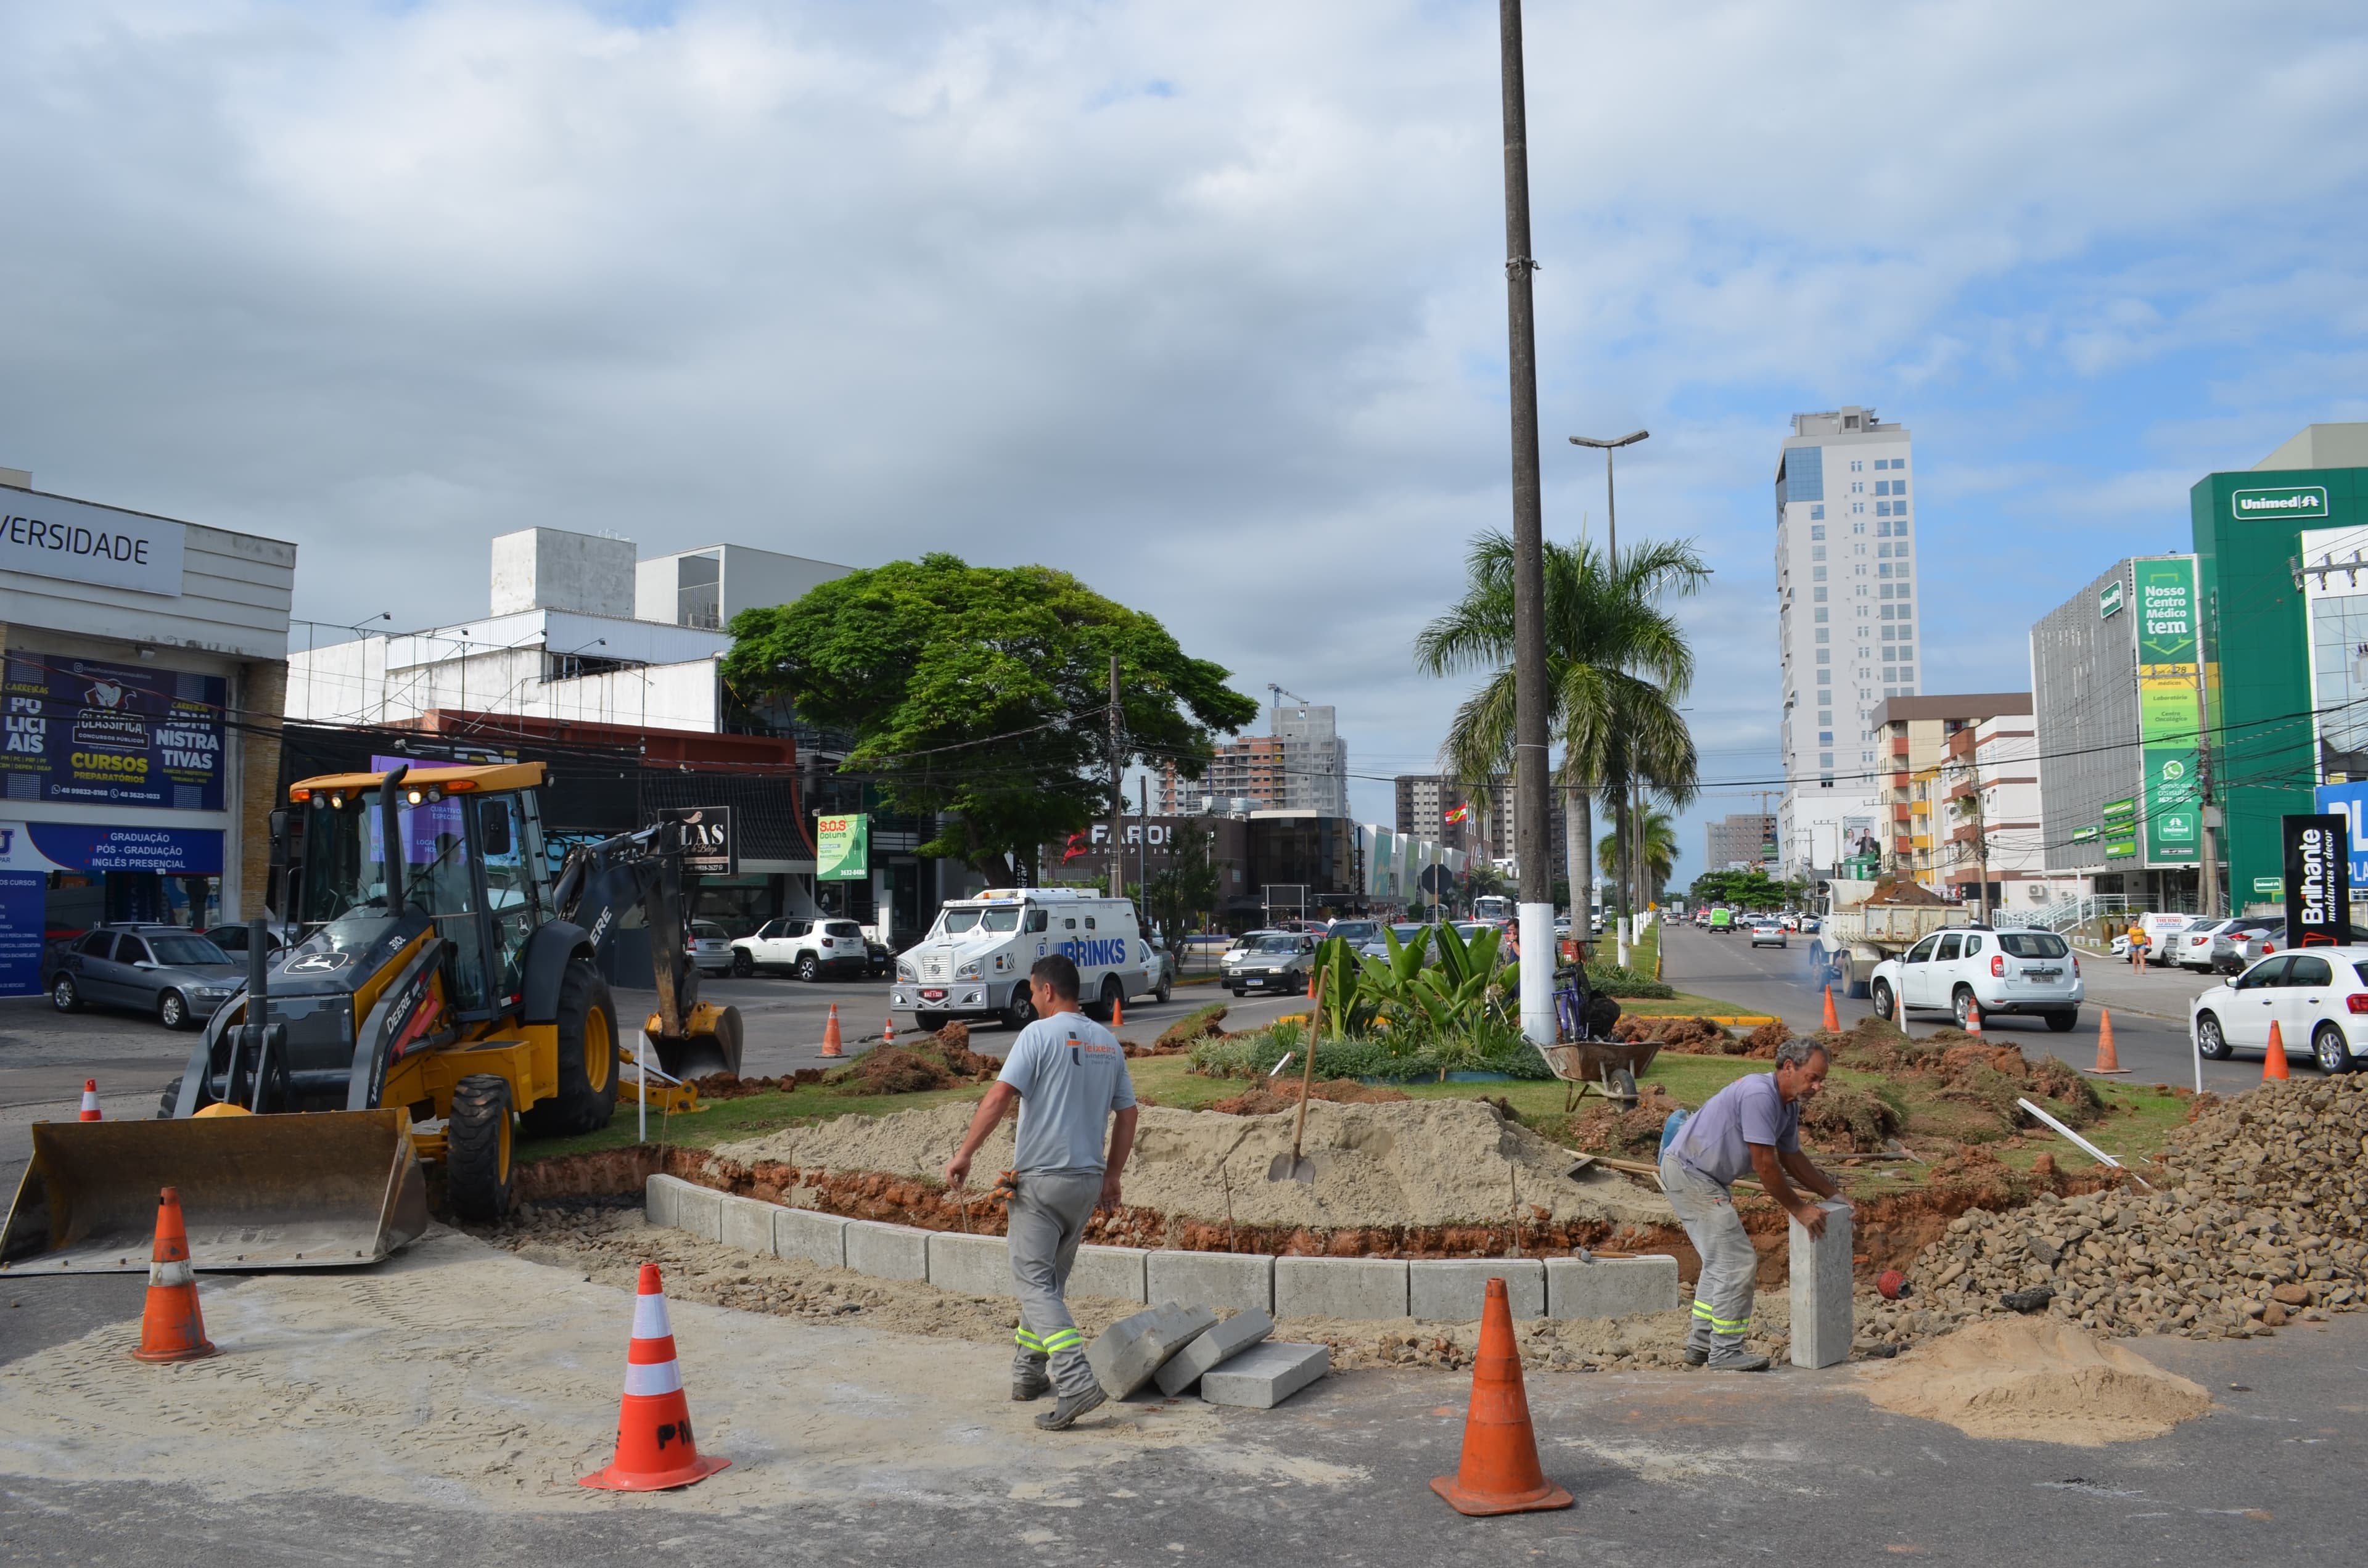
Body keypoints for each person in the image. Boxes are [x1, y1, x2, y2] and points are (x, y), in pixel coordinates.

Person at [944, 953, 1138, 1430]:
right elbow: (1129, 1113)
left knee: (1033, 1284)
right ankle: (1029, 1373)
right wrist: (1112, 1175)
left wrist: (965, 1153)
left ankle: (1075, 1381)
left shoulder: (1036, 1035)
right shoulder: (1108, 1043)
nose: (1030, 1000)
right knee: (1048, 1285)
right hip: (1086, 1182)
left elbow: (998, 1096)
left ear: (1049, 990)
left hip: (1041, 1180)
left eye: (1033, 991)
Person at [1658, 1038, 1845, 1371]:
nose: (1817, 1086)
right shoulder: (1761, 1095)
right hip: (1691, 1174)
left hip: (1702, 1176)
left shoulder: (1788, 1105)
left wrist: (1832, 1194)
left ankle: (1701, 1346)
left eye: (1821, 1081)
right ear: (1789, 1067)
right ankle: (1725, 1352)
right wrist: (1800, 1209)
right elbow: (1765, 1164)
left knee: (1720, 1263)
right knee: (1736, 1261)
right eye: (1812, 1077)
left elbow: (1791, 1157)